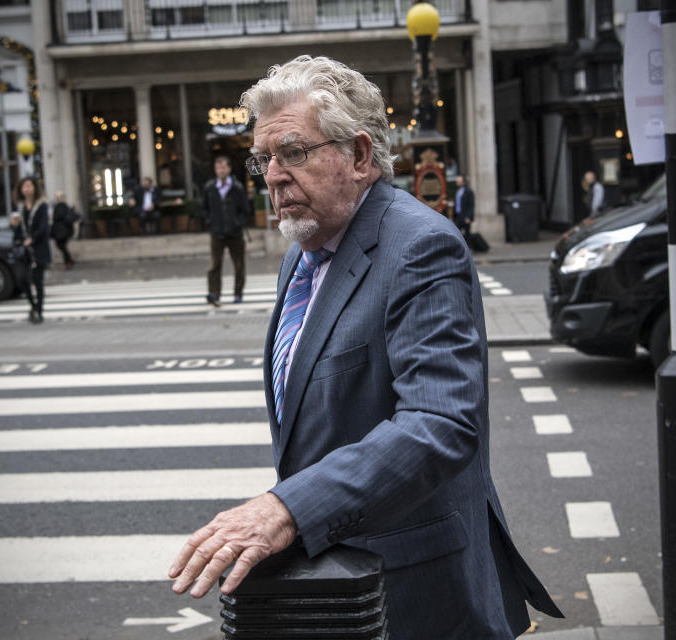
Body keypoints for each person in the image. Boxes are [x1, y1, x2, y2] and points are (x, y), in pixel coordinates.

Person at [168, 56, 562, 639]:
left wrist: (287, 509)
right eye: (264, 159)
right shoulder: (304, 251)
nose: (274, 176)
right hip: (343, 587)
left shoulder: (421, 246)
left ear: (358, 155)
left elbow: (440, 423)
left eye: (294, 152)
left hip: (418, 595)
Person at [200, 155, 252, 306]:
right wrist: (210, 221)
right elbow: (204, 208)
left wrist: (238, 223)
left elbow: (245, 209)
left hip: (235, 233)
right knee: (215, 265)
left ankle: (238, 293)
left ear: (229, 169)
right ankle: (214, 293)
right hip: (217, 232)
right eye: (218, 168)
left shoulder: (237, 187)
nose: (220, 171)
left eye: (223, 167)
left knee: (239, 265)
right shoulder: (210, 187)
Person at [15, 176, 50, 324]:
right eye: (24, 186)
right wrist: (19, 239)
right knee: (22, 279)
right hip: (25, 251)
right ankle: (33, 305)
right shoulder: (21, 208)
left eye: (29, 186)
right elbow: (18, 229)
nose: (27, 189)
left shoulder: (42, 206)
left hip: (39, 249)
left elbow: (44, 227)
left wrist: (32, 239)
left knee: (38, 281)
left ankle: (39, 311)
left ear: (35, 188)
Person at [8, 211, 36, 315]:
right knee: (22, 280)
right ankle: (33, 303)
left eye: (15, 219)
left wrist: (25, 243)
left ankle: (34, 304)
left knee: (25, 279)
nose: (13, 221)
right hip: (18, 258)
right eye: (12, 219)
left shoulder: (22, 229)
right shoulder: (10, 230)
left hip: (24, 258)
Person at [50, 191, 79, 269]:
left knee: (61, 246)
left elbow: (59, 216)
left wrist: (53, 217)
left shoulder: (60, 205)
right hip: (64, 230)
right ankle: (69, 261)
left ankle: (68, 262)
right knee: (62, 246)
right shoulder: (65, 205)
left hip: (61, 231)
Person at [454, 173, 475, 238]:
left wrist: (469, 217)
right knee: (458, 233)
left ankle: (468, 247)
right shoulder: (458, 191)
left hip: (465, 216)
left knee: (467, 234)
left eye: (458, 181)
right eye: (457, 181)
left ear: (462, 182)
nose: (457, 182)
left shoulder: (468, 191)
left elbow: (471, 205)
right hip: (458, 216)